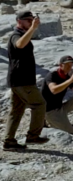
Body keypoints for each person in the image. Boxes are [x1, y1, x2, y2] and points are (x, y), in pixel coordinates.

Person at [4, 10, 49, 150]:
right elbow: (20, 45)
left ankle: (9, 141)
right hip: (22, 80)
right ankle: (33, 136)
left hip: (18, 80)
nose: (30, 22)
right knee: (39, 104)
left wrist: (31, 29)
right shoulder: (15, 35)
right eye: (28, 20)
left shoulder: (23, 34)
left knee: (16, 110)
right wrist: (33, 28)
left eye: (32, 20)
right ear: (19, 21)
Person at [41, 56, 73, 136]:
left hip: (60, 107)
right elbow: (54, 90)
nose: (69, 67)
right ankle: (48, 122)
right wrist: (70, 80)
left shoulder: (67, 77)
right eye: (67, 65)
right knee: (71, 131)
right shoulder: (52, 75)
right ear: (61, 65)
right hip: (49, 110)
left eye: (71, 65)